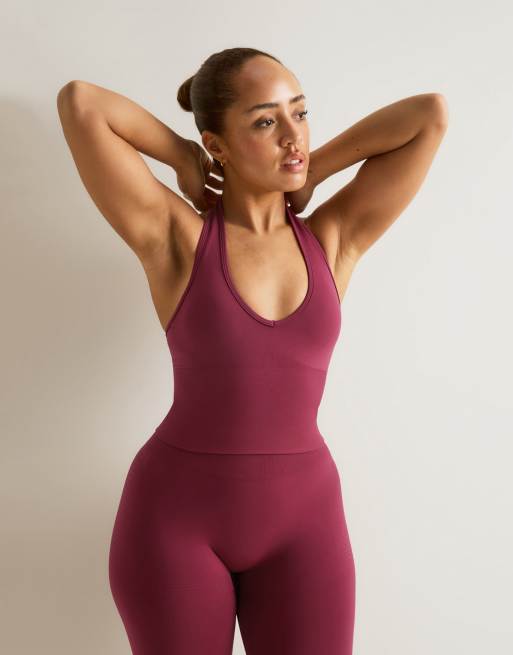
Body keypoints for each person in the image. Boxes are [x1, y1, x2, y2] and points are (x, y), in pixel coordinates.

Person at [57, 47, 448, 655]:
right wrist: (182, 157)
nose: (293, 135)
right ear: (219, 144)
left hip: (305, 525)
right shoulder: (178, 238)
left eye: (300, 113)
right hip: (175, 524)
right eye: (266, 121)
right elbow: (82, 102)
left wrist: (314, 169)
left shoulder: (333, 239)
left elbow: (429, 115)